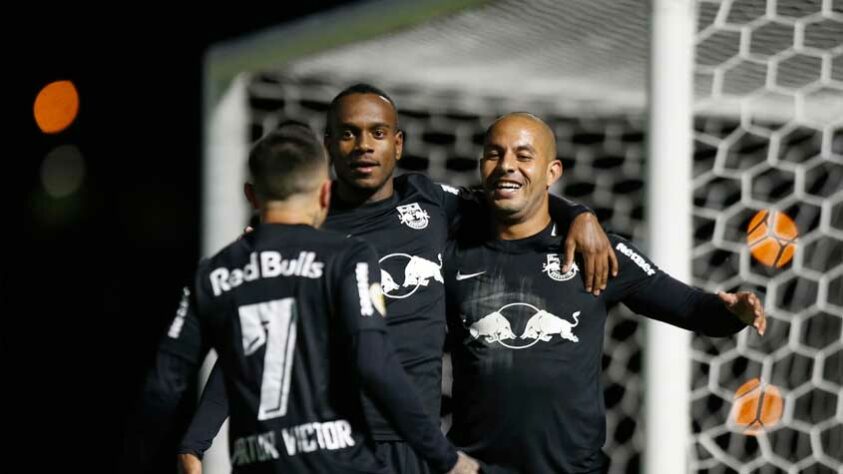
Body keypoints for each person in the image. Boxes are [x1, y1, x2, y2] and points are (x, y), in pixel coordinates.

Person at [178, 84, 618, 474]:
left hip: (412, 446)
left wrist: (579, 214)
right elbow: (259, 334)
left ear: (398, 143)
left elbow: (515, 195)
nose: (363, 145)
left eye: (378, 133)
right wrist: (195, 442)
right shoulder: (305, 232)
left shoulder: (429, 202)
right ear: (328, 145)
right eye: (348, 133)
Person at [121, 122, 480, 473]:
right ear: (325, 193)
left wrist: (187, 444)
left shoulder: (211, 275)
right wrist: (445, 457)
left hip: (258, 458)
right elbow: (375, 364)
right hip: (339, 455)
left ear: (251, 195)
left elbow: (165, 386)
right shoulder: (346, 258)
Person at [443, 113, 767, 473]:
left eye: (523, 156)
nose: (507, 166)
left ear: (552, 173)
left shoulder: (596, 253)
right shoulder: (451, 248)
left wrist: (734, 312)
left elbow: (692, 308)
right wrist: (579, 211)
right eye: (494, 154)